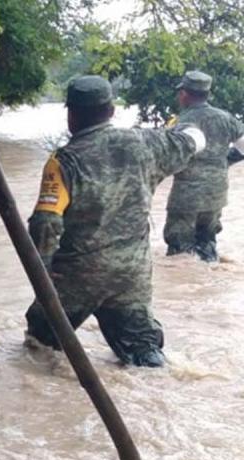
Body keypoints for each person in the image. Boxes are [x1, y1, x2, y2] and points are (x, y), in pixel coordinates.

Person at [25, 75, 206, 368]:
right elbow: (195, 140)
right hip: (131, 276)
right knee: (144, 357)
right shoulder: (148, 144)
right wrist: (188, 125)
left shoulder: (65, 161)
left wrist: (43, 272)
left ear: (71, 115)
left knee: (40, 346)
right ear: (110, 111)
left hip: (76, 277)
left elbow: (45, 224)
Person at [163, 70, 244, 262]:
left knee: (180, 252)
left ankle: (185, 289)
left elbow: (166, 158)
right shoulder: (226, 118)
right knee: (208, 244)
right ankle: (207, 282)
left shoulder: (181, 121)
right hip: (216, 193)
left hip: (186, 196)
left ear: (184, 94)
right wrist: (226, 161)